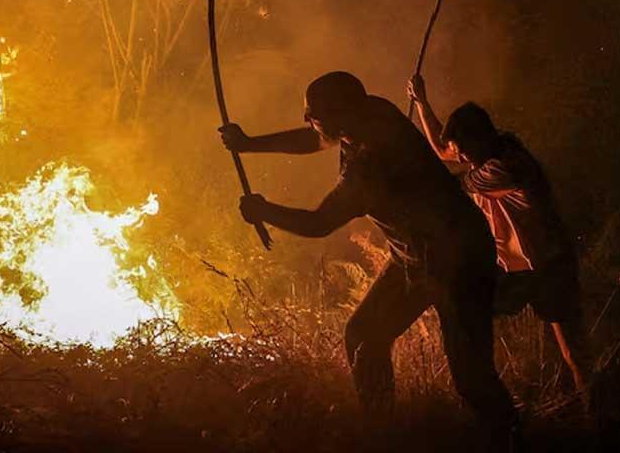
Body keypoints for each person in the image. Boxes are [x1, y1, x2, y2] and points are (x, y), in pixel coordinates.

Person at [220, 71, 521, 447]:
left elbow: (319, 222)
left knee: (471, 376)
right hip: (418, 256)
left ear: (340, 116)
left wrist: (265, 211)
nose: (306, 119)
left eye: (313, 113)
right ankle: (383, 435)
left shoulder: (370, 163)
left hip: (457, 260)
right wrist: (249, 144)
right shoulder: (373, 112)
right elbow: (315, 139)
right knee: (365, 336)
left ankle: (513, 439)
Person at [407, 74, 592, 408]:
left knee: (573, 353)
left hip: (549, 266)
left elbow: (451, 180)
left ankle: (596, 419)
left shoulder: (506, 167)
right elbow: (443, 148)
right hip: (516, 271)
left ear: (480, 139)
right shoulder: (485, 152)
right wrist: (422, 102)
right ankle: (490, 397)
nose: (460, 157)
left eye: (464, 151)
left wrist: (407, 173)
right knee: (470, 310)